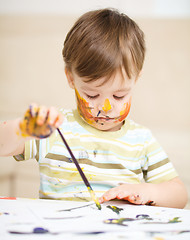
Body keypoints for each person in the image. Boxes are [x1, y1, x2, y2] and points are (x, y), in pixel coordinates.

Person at [0, 8, 187, 208]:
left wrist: (148, 191)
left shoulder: (141, 140)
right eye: (92, 95)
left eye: (119, 95)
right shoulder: (54, 128)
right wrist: (24, 129)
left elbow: (179, 196)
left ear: (136, 79)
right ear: (71, 78)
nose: (105, 107)